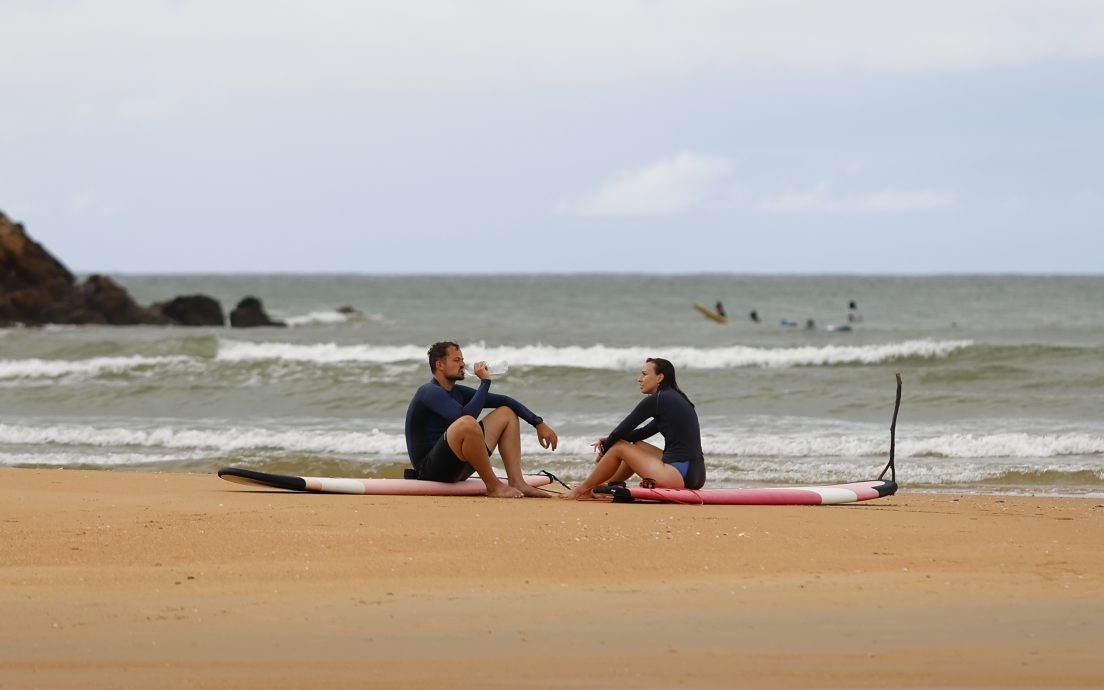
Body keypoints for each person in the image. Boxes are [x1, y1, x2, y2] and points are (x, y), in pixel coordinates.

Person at [404, 341, 558, 498]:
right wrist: (485, 382)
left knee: (506, 413)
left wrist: (538, 422)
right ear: (440, 365)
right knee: (467, 423)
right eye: (456, 360)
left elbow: (504, 400)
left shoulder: (457, 392)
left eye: (462, 359)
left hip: (457, 468)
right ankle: (493, 486)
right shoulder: (429, 392)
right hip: (431, 471)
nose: (463, 364)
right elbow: (465, 417)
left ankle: (517, 482)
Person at [561, 358, 705, 499]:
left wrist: (605, 450)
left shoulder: (657, 400)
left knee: (619, 448)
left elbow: (621, 429)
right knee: (637, 446)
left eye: (644, 374)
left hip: (677, 475)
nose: (639, 379)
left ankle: (583, 489)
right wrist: (608, 440)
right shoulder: (676, 398)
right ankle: (613, 484)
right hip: (696, 475)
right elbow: (644, 432)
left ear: (659, 377)